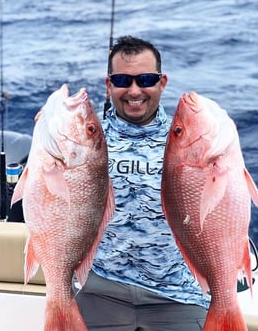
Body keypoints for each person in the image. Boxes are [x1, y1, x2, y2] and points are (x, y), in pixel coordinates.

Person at [73, 35, 210, 331]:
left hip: (179, 293)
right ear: (109, 85)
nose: (134, 90)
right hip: (99, 286)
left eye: (145, 79)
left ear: (162, 82)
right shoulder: (84, 138)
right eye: (123, 79)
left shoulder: (190, 137)